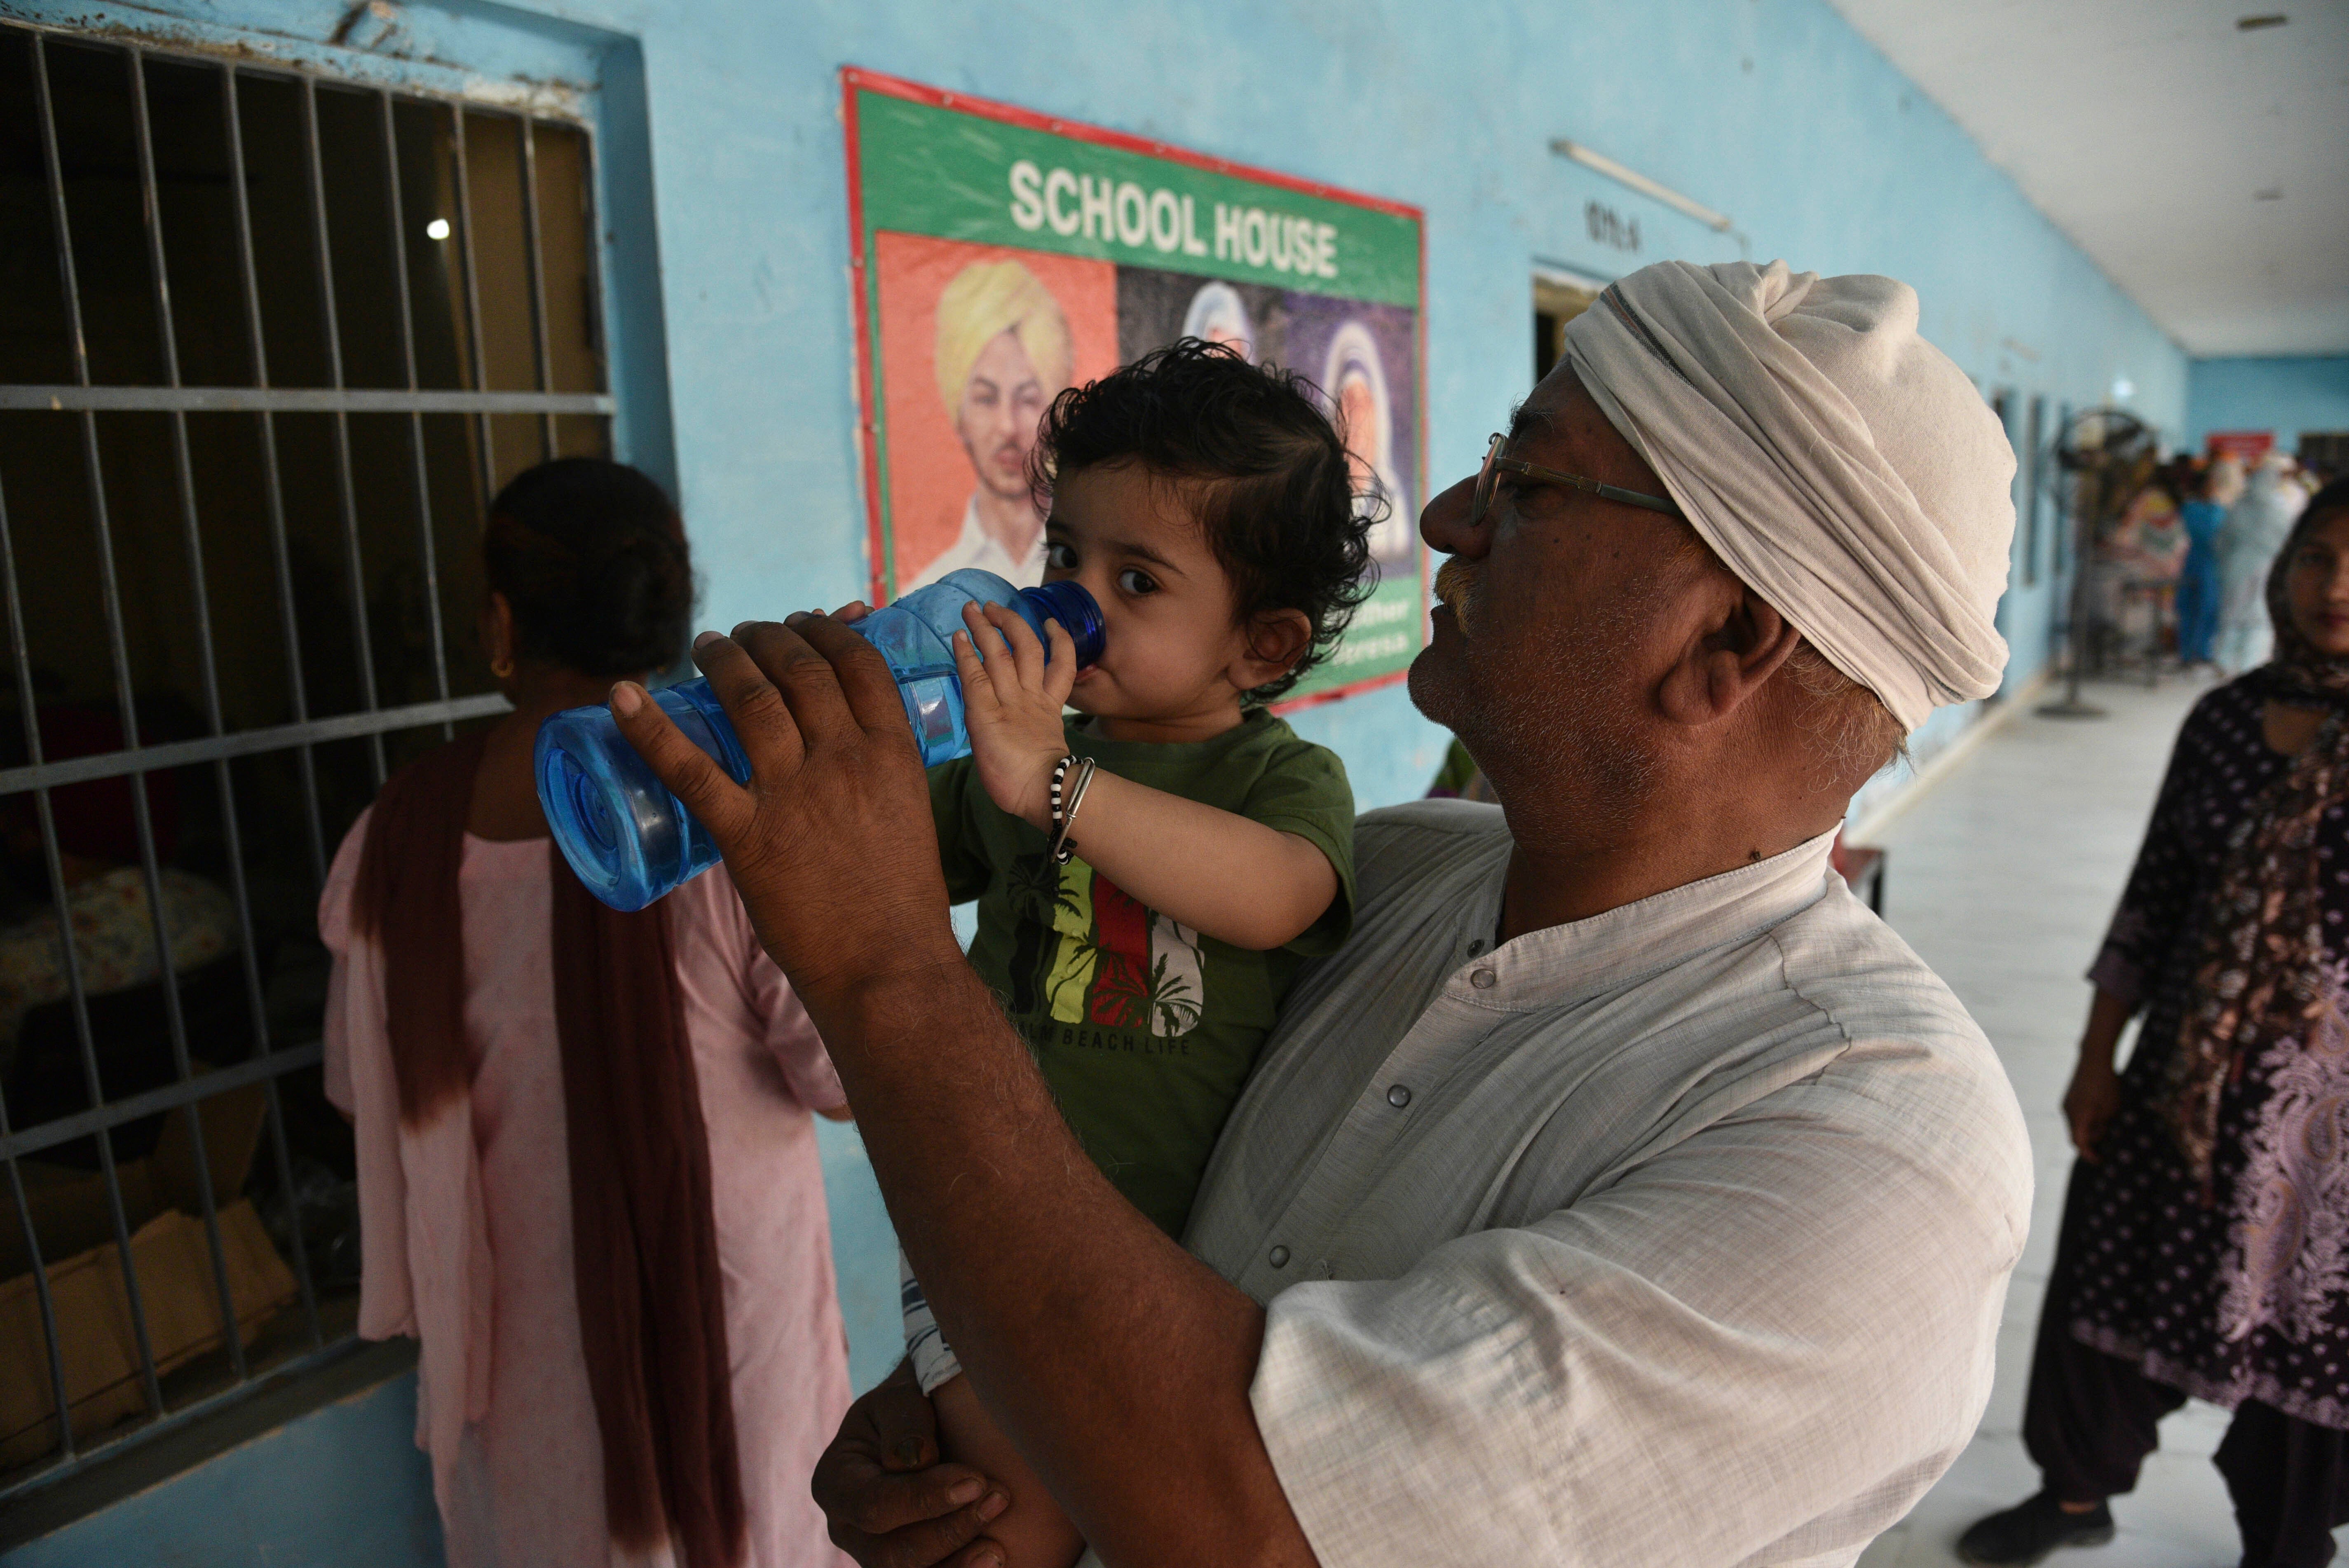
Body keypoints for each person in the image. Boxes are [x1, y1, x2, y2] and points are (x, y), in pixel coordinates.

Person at [610, 258, 2033, 1567]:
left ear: (1727, 639)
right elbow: (1122, 1237)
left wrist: (877, 963)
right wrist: (964, 1404)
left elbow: (1247, 1520)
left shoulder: (1873, 1145)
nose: (1453, 519)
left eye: (1529, 487)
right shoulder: (1398, 872)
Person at [320, 458, 854, 1568]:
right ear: (664, 606)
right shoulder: (720, 810)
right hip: (725, 1348)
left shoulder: (395, 836)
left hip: (521, 1372)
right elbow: (847, 1074)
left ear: (501, 620)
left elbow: (352, 1084)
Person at [891, 340, 1368, 1567]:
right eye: (1063, 555)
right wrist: (859, 728)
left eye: (1136, 579)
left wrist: (1052, 782)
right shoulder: (1012, 762)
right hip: (990, 1225)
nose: (1076, 603)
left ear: (1261, 646)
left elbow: (1276, 893)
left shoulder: (1273, 776)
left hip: (1172, 1267)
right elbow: (884, 860)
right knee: (1011, 1526)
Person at [1959, 478, 2349, 1568]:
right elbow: (2151, 898)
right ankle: (2074, 1493)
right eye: (2317, 556)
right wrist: (2096, 1056)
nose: (2335, 586)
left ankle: (2283, 1546)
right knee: (2111, 1281)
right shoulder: (2225, 718)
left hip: (2328, 1138)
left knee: (2306, 1345)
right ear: (2282, 569)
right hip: (2180, 1079)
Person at [908, 260, 1074, 592]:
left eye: (1027, 400)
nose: (1007, 426)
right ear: (960, 416)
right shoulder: (927, 592)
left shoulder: (1086, 572)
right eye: (986, 399)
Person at [2215, 453, 2309, 674]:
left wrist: (2225, 563)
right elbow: (2289, 541)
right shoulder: (2278, 509)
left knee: (2233, 613)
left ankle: (2224, 660)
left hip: (2236, 569)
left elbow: (2221, 541)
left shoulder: (2239, 506)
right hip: (2265, 569)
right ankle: (2251, 665)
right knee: (2259, 617)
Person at [2176, 456, 2244, 668]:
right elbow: (2213, 536)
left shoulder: (2211, 509)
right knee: (2194, 608)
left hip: (2209, 564)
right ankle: (2191, 652)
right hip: (2202, 563)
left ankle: (2200, 651)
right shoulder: (2198, 509)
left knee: (2208, 610)